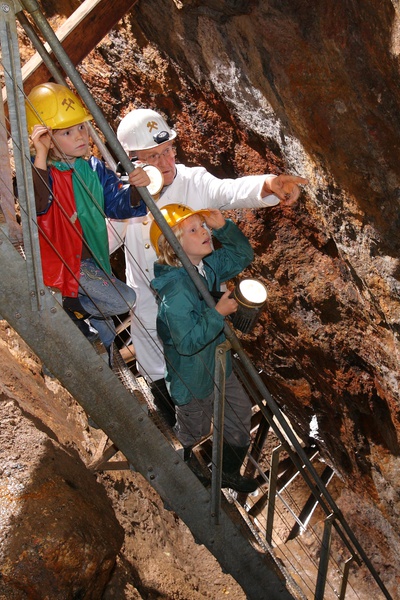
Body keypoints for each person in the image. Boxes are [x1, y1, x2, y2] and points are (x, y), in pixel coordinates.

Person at [109, 107, 308, 422]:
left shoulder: (193, 181)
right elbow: (103, 242)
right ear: (132, 162)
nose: (166, 163)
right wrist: (127, 197)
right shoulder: (126, 197)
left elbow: (230, 191)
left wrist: (269, 184)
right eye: (153, 157)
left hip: (199, 302)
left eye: (168, 151)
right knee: (163, 380)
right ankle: (182, 438)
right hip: (150, 306)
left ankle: (224, 436)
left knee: (211, 372)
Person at [26, 83, 150, 365]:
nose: (80, 136)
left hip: (90, 261)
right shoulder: (38, 169)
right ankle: (67, 305)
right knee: (122, 300)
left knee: (105, 337)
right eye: (67, 132)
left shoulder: (92, 168)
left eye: (81, 127)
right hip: (62, 262)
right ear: (46, 138)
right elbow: (36, 203)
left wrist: (136, 189)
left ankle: (80, 344)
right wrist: (41, 155)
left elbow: (116, 204)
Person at [150, 203, 259, 493]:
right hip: (193, 377)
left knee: (240, 413)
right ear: (173, 245)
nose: (204, 232)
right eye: (193, 229)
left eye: (203, 226)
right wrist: (217, 313)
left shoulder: (206, 266)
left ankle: (226, 472)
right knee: (194, 431)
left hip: (220, 364)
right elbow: (185, 344)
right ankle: (179, 479)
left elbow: (242, 255)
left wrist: (223, 227)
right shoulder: (175, 291)